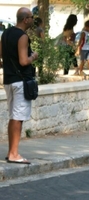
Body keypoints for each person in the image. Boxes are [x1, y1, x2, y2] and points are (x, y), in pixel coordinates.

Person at [0, 7, 38, 164]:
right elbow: (23, 61)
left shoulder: (6, 34)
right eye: (31, 17)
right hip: (20, 81)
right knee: (18, 118)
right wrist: (33, 56)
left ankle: (11, 152)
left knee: (13, 117)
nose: (32, 19)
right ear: (25, 19)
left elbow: (1, 55)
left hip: (9, 79)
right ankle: (14, 154)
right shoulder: (22, 36)